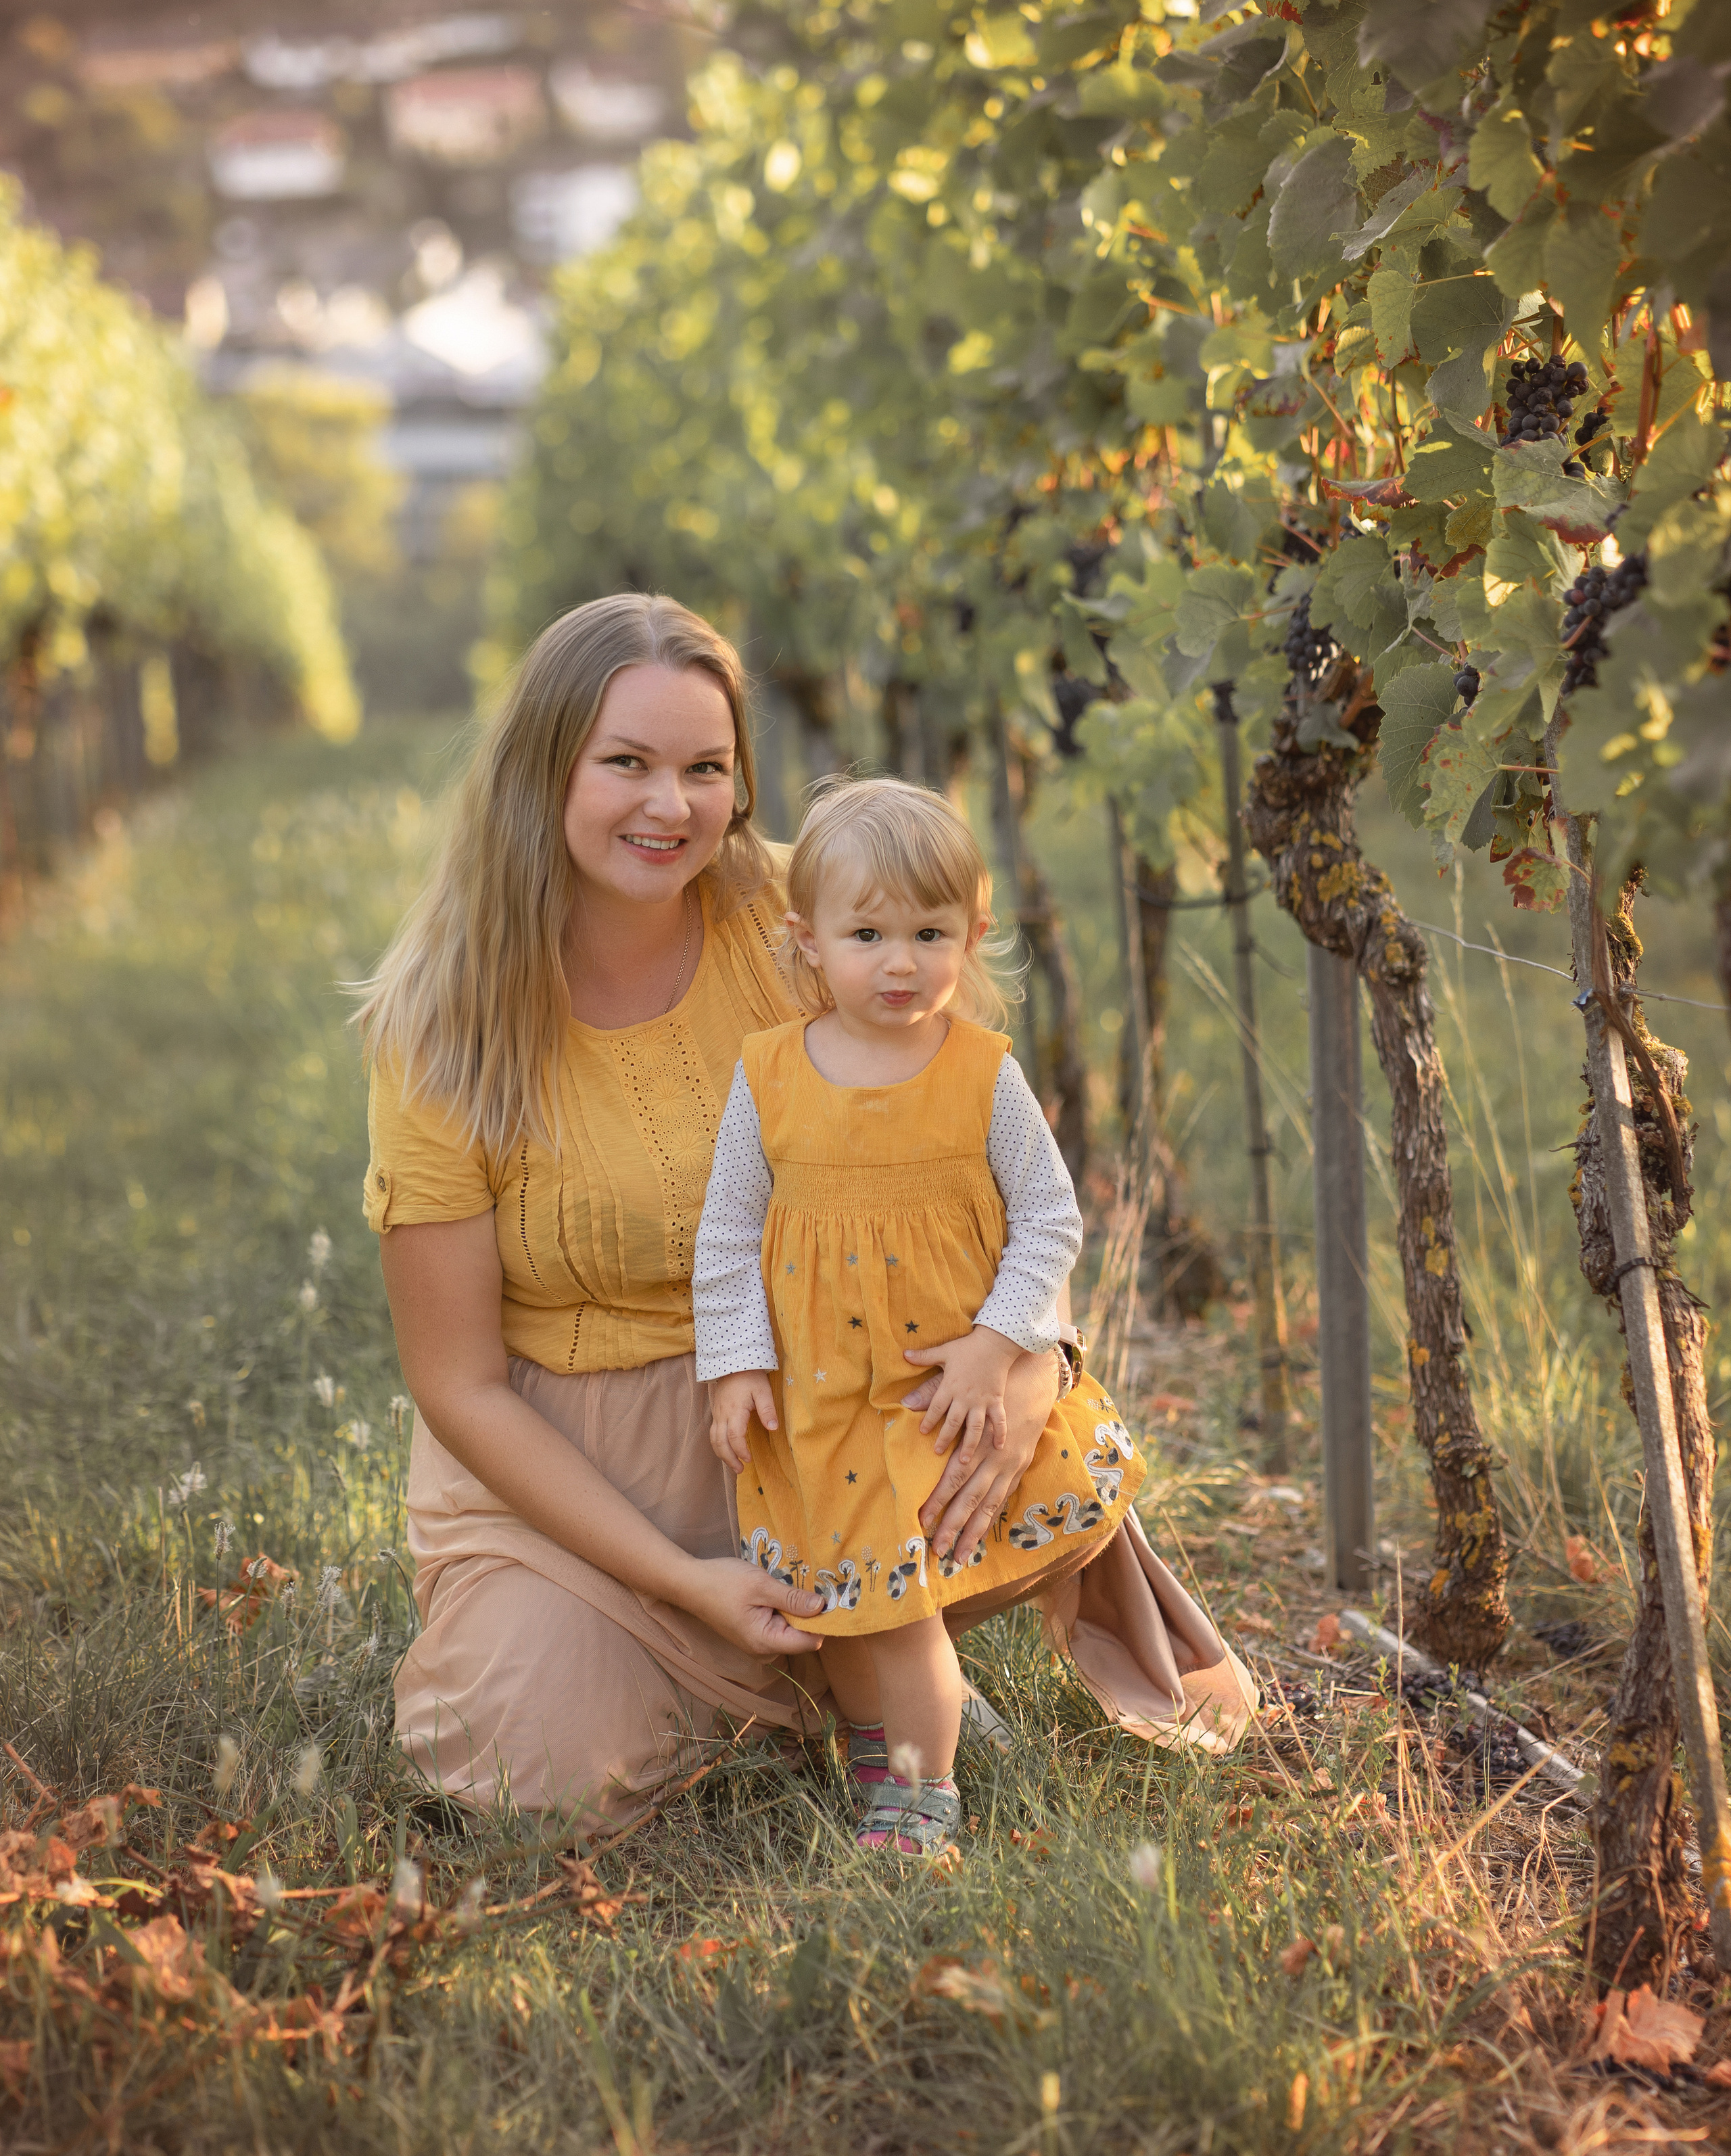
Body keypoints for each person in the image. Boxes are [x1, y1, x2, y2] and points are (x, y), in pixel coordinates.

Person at [358, 592, 1253, 1835]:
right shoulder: (446, 1024)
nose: (671, 807)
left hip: (828, 1404)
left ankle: (881, 1679)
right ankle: (826, 1675)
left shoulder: (807, 920)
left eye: (706, 769)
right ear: (541, 771)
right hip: (573, 1468)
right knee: (538, 1782)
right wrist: (681, 1578)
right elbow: (457, 1383)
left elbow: (978, 1131)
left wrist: (1033, 1349)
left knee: (961, 1493)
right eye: (626, 763)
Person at [694, 778, 1149, 1855]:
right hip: (824, 1395)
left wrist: (1002, 1341)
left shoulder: (981, 1075)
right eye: (867, 934)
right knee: (843, 1599)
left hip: (941, 1382)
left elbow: (1049, 1217)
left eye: (929, 933)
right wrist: (736, 1362)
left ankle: (920, 1786)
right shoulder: (768, 1077)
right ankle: (879, 1733)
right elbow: (726, 1234)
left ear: (975, 934)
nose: (900, 963)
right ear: (808, 943)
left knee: (900, 1611)